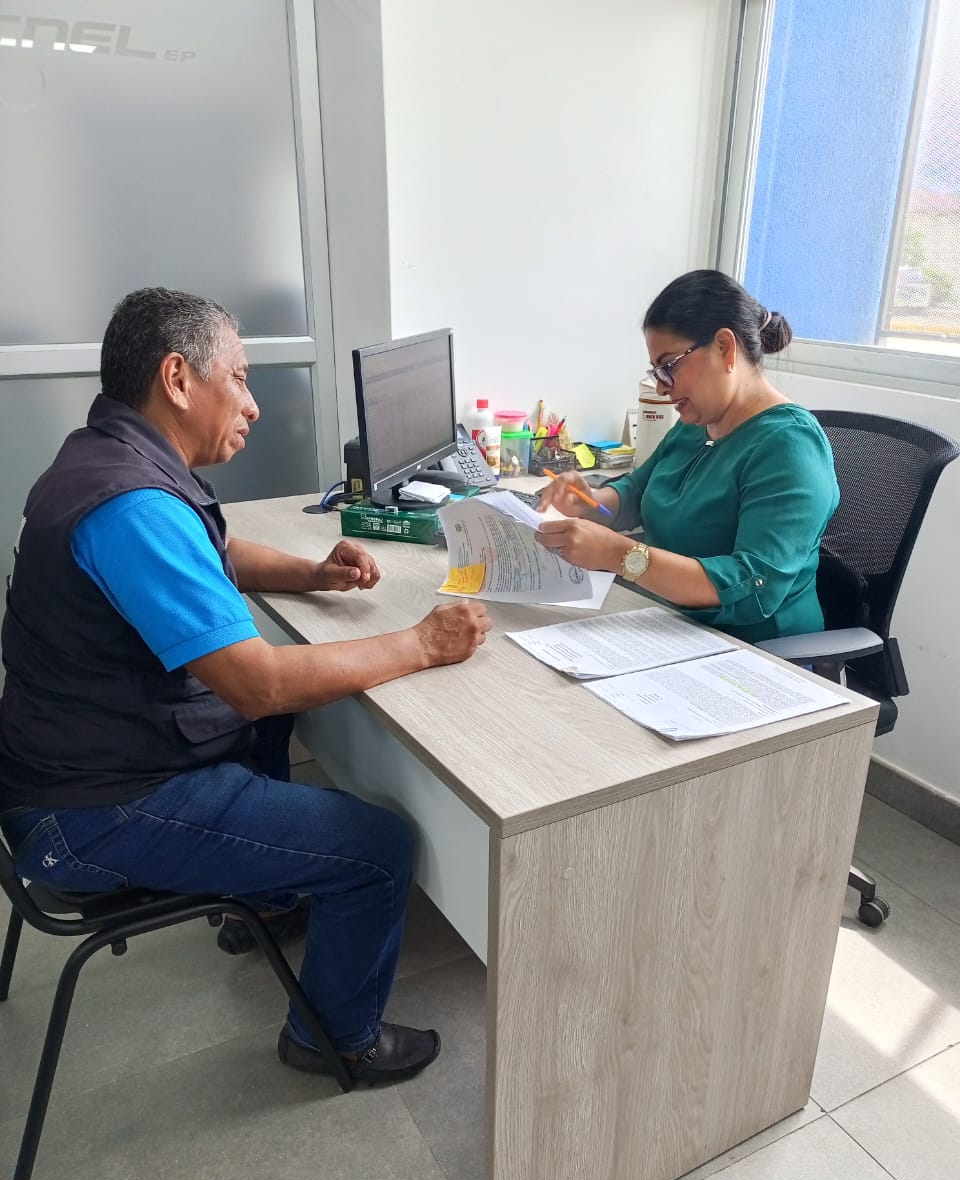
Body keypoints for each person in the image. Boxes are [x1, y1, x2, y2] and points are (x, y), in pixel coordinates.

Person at [0, 286, 491, 1086]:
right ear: (178, 379)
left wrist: (311, 573)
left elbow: (210, 553)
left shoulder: (103, 457)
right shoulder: (131, 508)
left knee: (271, 730)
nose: (254, 405)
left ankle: (263, 901)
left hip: (76, 762)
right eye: (239, 377)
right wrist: (421, 642)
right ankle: (335, 1039)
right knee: (378, 849)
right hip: (91, 813)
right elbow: (257, 684)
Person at [535, 269, 840, 644]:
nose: (662, 388)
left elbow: (752, 588)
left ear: (725, 348)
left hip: (752, 649)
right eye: (656, 371)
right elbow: (639, 490)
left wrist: (620, 555)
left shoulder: (789, 446)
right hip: (668, 625)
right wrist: (590, 503)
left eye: (669, 366)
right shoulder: (698, 422)